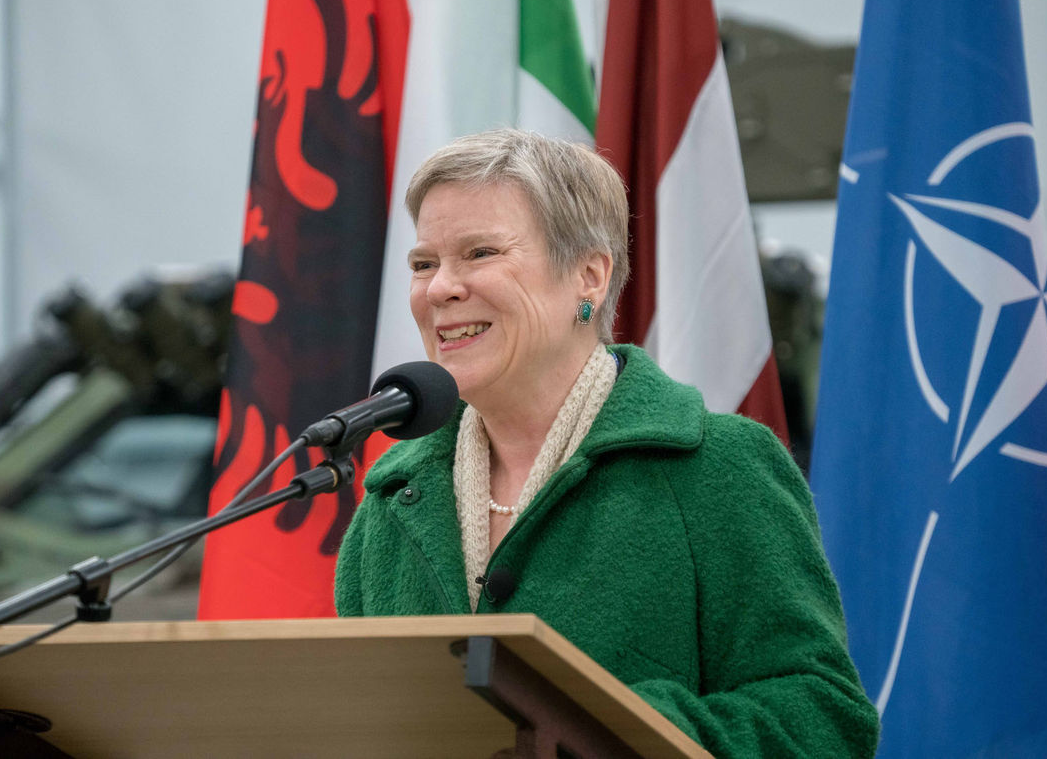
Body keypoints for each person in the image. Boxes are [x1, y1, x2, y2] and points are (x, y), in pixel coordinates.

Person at [335, 129, 879, 756]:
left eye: (480, 253)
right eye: (424, 263)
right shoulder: (392, 498)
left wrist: (611, 730)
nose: (438, 289)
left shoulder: (718, 468)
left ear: (588, 277)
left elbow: (823, 717)